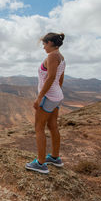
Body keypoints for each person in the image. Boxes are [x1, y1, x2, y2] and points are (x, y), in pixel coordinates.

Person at [25, 32, 66, 174]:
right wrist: (57, 93)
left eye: (44, 44)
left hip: (49, 97)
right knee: (53, 125)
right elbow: (60, 79)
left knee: (39, 127)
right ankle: (55, 157)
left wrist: (40, 97)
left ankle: (41, 163)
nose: (43, 47)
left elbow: (51, 77)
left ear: (50, 43)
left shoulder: (52, 56)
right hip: (57, 96)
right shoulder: (61, 57)